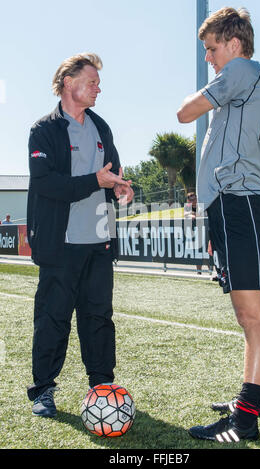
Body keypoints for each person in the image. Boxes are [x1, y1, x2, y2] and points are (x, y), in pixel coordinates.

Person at [177, 7, 260, 443]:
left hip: (240, 205)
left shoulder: (241, 69)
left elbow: (184, 112)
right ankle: (258, 392)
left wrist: (218, 75)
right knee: (246, 313)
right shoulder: (245, 78)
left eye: (212, 49)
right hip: (230, 205)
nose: (208, 58)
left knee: (251, 315)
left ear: (234, 45)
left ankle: (246, 418)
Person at [26, 52, 134, 417]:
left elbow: (112, 172)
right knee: (53, 318)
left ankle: (103, 386)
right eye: (92, 82)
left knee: (99, 318)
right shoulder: (44, 130)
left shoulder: (101, 127)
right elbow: (46, 184)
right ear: (68, 83)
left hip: (100, 243)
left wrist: (119, 188)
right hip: (61, 245)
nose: (98, 88)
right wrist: (96, 182)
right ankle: (43, 390)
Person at [184, 192, 202, 274]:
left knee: (208, 252)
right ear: (188, 201)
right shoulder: (188, 207)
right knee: (197, 252)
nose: (194, 201)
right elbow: (186, 214)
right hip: (195, 233)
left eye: (195, 199)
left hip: (204, 231)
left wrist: (195, 214)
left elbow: (203, 214)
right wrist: (192, 215)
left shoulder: (201, 205)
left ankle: (212, 271)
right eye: (191, 199)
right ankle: (199, 271)